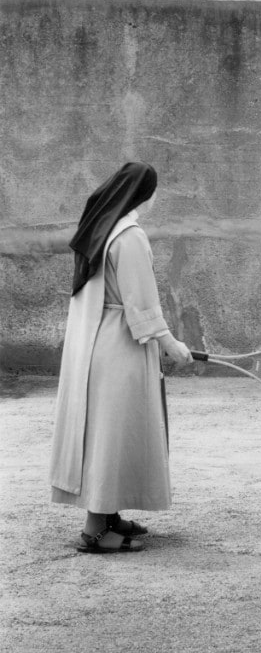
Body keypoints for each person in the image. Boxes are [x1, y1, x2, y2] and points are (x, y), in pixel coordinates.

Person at [50, 162, 193, 553]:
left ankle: (109, 515)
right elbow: (140, 300)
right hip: (119, 346)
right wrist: (170, 343)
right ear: (145, 194)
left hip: (98, 345)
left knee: (109, 428)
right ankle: (95, 531)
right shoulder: (129, 236)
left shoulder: (100, 227)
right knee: (111, 433)